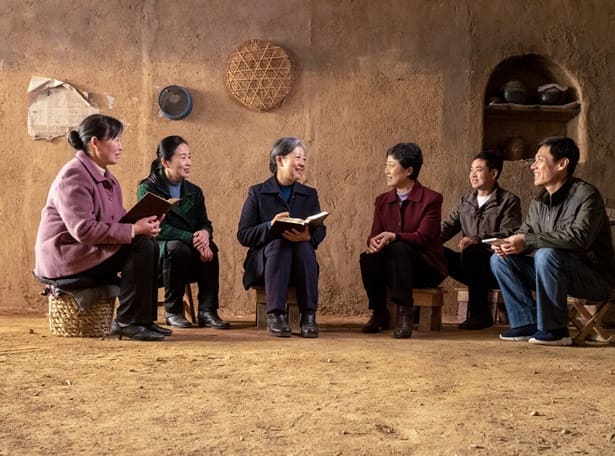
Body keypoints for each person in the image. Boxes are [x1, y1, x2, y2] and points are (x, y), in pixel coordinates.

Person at [34, 114, 169, 341]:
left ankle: (143, 320)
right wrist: (135, 230)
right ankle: (127, 322)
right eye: (115, 140)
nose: (121, 146)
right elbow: (83, 231)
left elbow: (118, 219)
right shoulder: (73, 176)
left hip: (87, 250)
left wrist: (146, 222)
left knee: (149, 243)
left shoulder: (108, 179)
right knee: (142, 245)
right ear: (95, 143)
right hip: (68, 255)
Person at [490, 136, 615, 346]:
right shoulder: (539, 201)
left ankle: (555, 330)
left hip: (594, 279)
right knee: (500, 259)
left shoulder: (587, 195)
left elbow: (579, 239)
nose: (533, 166)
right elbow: (526, 234)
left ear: (562, 164)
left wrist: (528, 240)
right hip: (553, 273)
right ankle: (527, 323)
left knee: (546, 254)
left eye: (539, 159)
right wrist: (509, 244)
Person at [237, 137, 326, 338]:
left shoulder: (310, 194)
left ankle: (308, 316)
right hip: (265, 266)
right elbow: (243, 234)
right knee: (279, 244)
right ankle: (275, 315)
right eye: (297, 157)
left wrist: (308, 235)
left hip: (300, 265)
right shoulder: (257, 193)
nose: (302, 163)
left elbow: (321, 230)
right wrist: (270, 225)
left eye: (304, 158)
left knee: (304, 247)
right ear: (280, 160)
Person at [138, 135, 229, 329]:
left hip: (189, 249)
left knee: (211, 248)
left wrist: (205, 234)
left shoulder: (194, 191)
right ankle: (173, 311)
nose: (188, 162)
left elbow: (204, 222)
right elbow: (158, 229)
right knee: (177, 248)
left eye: (189, 157)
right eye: (182, 157)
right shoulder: (147, 187)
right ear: (165, 162)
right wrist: (193, 238)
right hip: (159, 251)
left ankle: (207, 311)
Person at [360, 143, 447, 338]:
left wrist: (394, 236)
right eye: (386, 165)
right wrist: (373, 243)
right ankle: (379, 312)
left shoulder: (432, 199)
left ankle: (405, 312)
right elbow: (375, 234)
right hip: (394, 268)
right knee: (369, 257)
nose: (386, 171)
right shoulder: (382, 201)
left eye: (391, 165)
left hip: (426, 268)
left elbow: (424, 238)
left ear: (408, 170)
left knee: (399, 248)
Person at [441, 151, 522, 330]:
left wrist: (477, 240)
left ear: (493, 173)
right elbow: (446, 227)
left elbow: (510, 232)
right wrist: (422, 241)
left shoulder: (508, 201)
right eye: (471, 170)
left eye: (478, 170)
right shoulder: (466, 201)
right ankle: (415, 308)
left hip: (495, 266)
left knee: (473, 251)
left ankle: (480, 315)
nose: (473, 174)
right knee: (437, 252)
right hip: (471, 267)